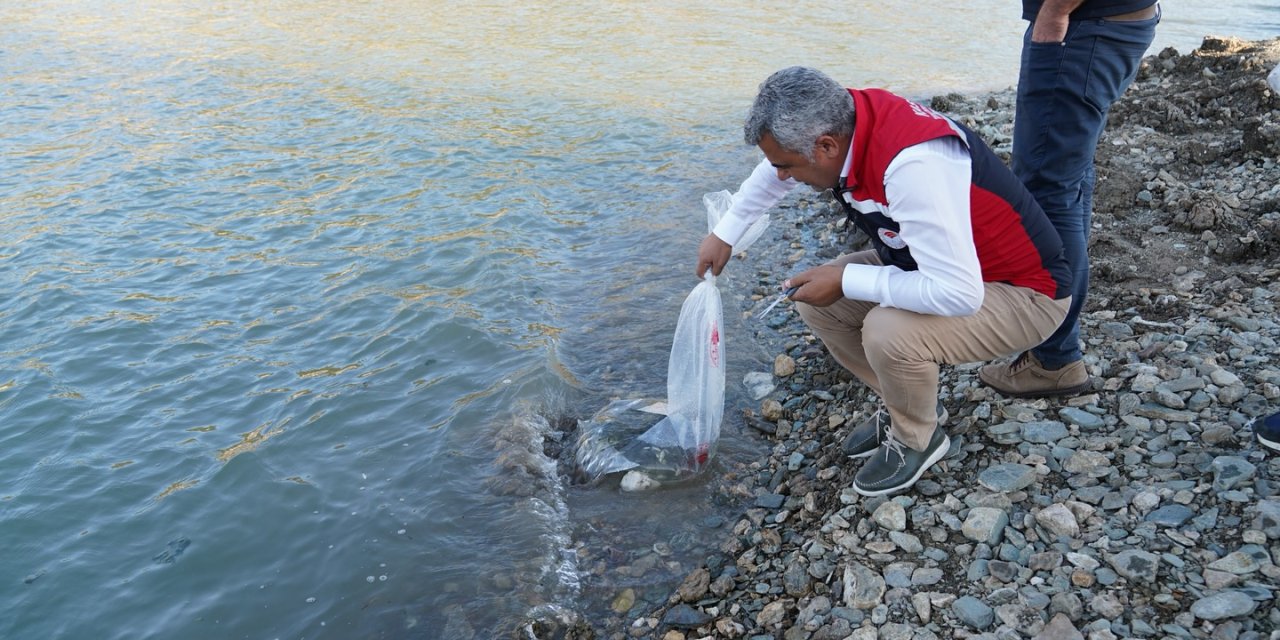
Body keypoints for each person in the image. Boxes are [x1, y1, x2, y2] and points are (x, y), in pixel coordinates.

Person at [696, 67, 1073, 496]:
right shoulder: (843, 116)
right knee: (813, 300)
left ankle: (918, 437)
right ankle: (907, 405)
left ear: (826, 146)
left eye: (788, 166)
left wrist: (847, 279)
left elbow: (958, 292)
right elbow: (773, 170)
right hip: (935, 264)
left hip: (1022, 292)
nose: (782, 176)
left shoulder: (914, 166)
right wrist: (725, 232)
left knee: (886, 330)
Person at [979, 0, 1160, 397]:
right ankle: (1054, 349)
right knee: (1066, 179)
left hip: (1081, 26)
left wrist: (1054, 12)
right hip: (1100, 24)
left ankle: (1055, 358)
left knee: (1048, 189)